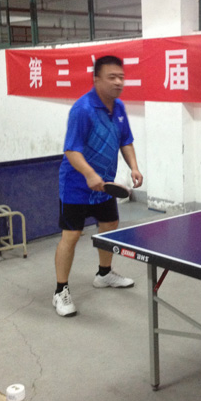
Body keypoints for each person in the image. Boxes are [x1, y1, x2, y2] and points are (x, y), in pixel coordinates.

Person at [53, 55, 143, 317]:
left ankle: (104, 274)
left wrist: (134, 167)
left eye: (121, 77)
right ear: (96, 79)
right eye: (111, 77)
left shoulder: (119, 108)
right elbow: (71, 150)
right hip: (76, 185)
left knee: (109, 225)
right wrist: (90, 174)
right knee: (71, 235)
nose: (118, 82)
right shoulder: (82, 110)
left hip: (104, 185)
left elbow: (125, 141)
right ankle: (60, 291)